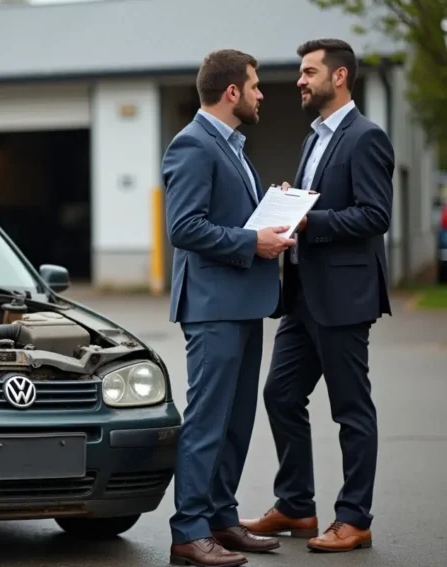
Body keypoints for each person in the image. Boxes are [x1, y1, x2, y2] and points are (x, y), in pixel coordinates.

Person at [240, 38, 394, 553]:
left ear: (340, 76)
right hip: (302, 293)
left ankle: (354, 518)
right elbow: (322, 206)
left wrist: (311, 219)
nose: (300, 81)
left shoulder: (366, 137)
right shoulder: (314, 139)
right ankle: (297, 506)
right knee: (280, 395)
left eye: (309, 72)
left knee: (351, 410)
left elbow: (376, 216)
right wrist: (293, 201)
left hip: (345, 296)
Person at [162, 49, 294, 567]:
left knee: (237, 421)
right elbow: (185, 227)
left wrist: (273, 204)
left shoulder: (233, 145)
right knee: (208, 421)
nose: (262, 94)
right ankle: (188, 533)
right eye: (256, 86)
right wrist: (251, 241)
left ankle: (220, 518)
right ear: (232, 91)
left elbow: (228, 212)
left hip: (244, 302)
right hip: (214, 305)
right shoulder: (192, 144)